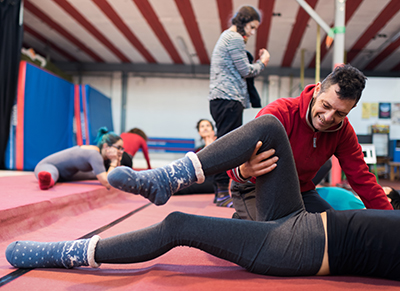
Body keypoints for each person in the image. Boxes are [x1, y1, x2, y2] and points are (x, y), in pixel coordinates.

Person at [7, 115, 400, 281]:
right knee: (269, 126)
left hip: (296, 247)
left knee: (179, 224)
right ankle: (167, 178)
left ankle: (69, 253)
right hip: (301, 218)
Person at [229, 64, 393, 219]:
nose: (328, 118)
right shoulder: (279, 113)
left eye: (340, 113)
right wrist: (244, 171)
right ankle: (241, 222)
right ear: (317, 90)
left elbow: (362, 178)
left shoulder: (343, 131)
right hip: (254, 187)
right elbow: (231, 157)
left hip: (299, 191)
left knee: (334, 234)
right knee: (274, 238)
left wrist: (392, 220)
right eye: (326, 105)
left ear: (351, 108)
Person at [208, 5, 270, 209]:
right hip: (228, 99)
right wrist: (263, 62)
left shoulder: (228, 37)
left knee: (225, 143)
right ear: (243, 22)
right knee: (226, 146)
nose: (252, 33)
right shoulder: (233, 38)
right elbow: (246, 70)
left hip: (223, 99)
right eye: (252, 27)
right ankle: (221, 192)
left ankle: (222, 191)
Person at [34, 127, 124, 190]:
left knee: (94, 174)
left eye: (122, 149)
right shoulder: (95, 155)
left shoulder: (98, 155)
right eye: (119, 148)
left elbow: (112, 176)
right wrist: (114, 161)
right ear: (106, 146)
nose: (121, 151)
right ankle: (47, 181)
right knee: (52, 174)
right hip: (48, 166)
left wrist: (117, 162)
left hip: (66, 174)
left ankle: (50, 178)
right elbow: (107, 183)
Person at [174, 119, 218, 197]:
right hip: (199, 179)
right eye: (202, 126)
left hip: (213, 181)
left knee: (183, 188)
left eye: (208, 126)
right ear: (199, 132)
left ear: (212, 130)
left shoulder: (218, 144)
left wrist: (210, 147)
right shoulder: (198, 150)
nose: (205, 128)